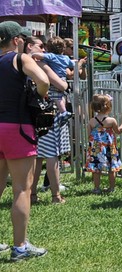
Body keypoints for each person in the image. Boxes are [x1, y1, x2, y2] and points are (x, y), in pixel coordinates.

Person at [0, 21, 49, 261]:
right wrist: (37, 95)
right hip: (17, 127)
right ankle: (20, 247)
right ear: (16, 41)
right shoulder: (20, 60)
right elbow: (45, 82)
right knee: (21, 188)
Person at [23, 37, 70, 205]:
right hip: (50, 113)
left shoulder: (23, 64)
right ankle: (56, 196)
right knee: (52, 155)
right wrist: (64, 81)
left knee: (37, 156)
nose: (44, 50)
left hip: (33, 113)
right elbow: (61, 86)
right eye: (41, 46)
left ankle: (32, 194)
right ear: (30, 46)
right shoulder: (41, 65)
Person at [30, 36, 86, 126]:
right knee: (60, 96)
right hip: (62, 78)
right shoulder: (65, 58)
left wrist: (32, 56)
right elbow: (73, 63)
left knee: (56, 96)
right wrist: (80, 62)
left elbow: (38, 55)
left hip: (56, 80)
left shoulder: (51, 56)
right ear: (63, 48)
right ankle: (62, 111)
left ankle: (63, 112)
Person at [86, 94, 122, 194]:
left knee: (96, 168)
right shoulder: (111, 120)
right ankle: (112, 188)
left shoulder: (91, 121)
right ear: (108, 107)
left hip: (96, 147)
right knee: (111, 168)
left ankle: (96, 188)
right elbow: (119, 131)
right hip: (109, 147)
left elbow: (89, 135)